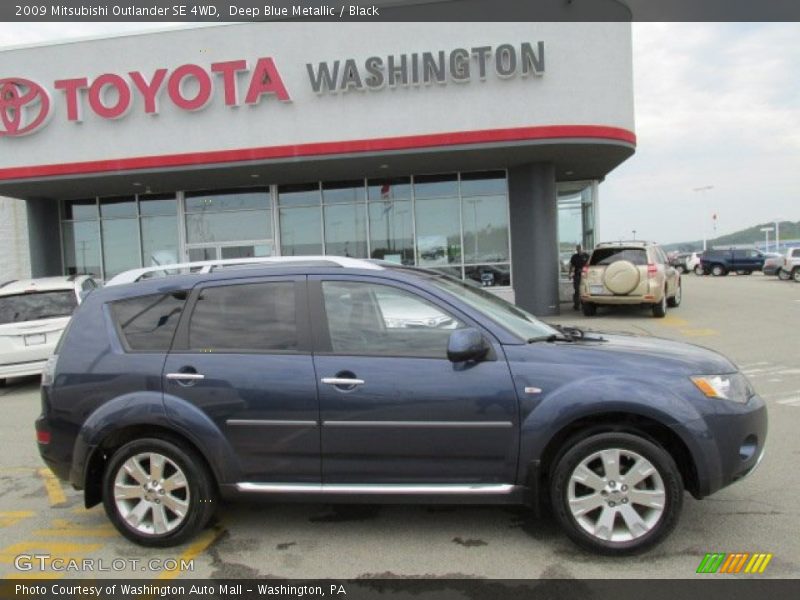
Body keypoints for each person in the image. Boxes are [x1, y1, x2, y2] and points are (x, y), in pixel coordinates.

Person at [568, 244, 589, 310]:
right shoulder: (574, 257)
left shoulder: (587, 256)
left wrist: (583, 270)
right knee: (577, 290)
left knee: (584, 290)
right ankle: (576, 305)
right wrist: (570, 274)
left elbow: (589, 265)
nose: (579, 250)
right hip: (577, 275)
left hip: (585, 276)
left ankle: (584, 305)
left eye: (580, 248)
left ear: (583, 249)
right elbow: (572, 266)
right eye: (578, 249)